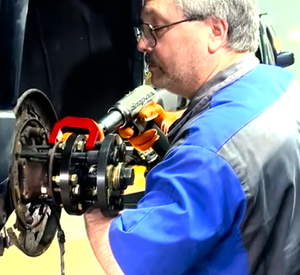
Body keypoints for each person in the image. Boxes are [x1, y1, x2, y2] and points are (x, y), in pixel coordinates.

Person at [83, 0, 300, 274]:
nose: (143, 44)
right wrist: (183, 123)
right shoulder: (281, 84)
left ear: (215, 31)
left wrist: (87, 193)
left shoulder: (206, 153)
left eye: (156, 27)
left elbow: (128, 263)